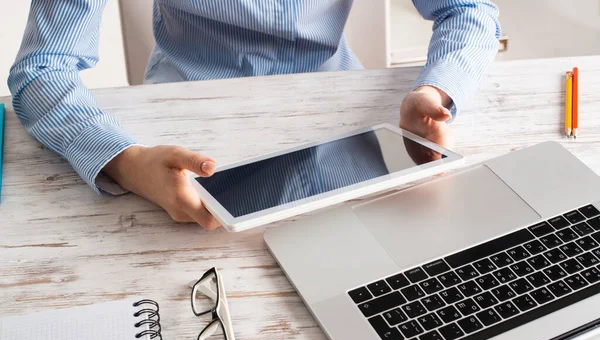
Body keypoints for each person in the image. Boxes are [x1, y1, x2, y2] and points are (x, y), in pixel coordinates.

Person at [8, 1, 501, 230]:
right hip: (179, 138)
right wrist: (121, 159)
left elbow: (468, 8)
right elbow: (40, 70)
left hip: (340, 127)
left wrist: (437, 89)